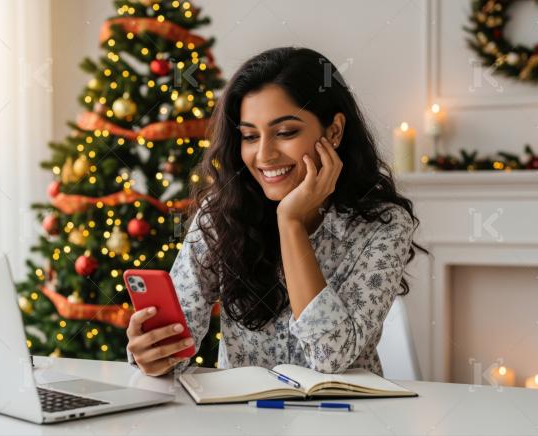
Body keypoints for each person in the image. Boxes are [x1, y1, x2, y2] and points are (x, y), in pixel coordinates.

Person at [127, 47, 427, 376]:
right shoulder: (221, 213)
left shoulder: (382, 225)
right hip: (243, 422)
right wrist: (153, 353)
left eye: (285, 133)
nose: (264, 155)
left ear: (334, 131)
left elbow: (331, 357)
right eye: (250, 136)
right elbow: (176, 348)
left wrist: (291, 222)